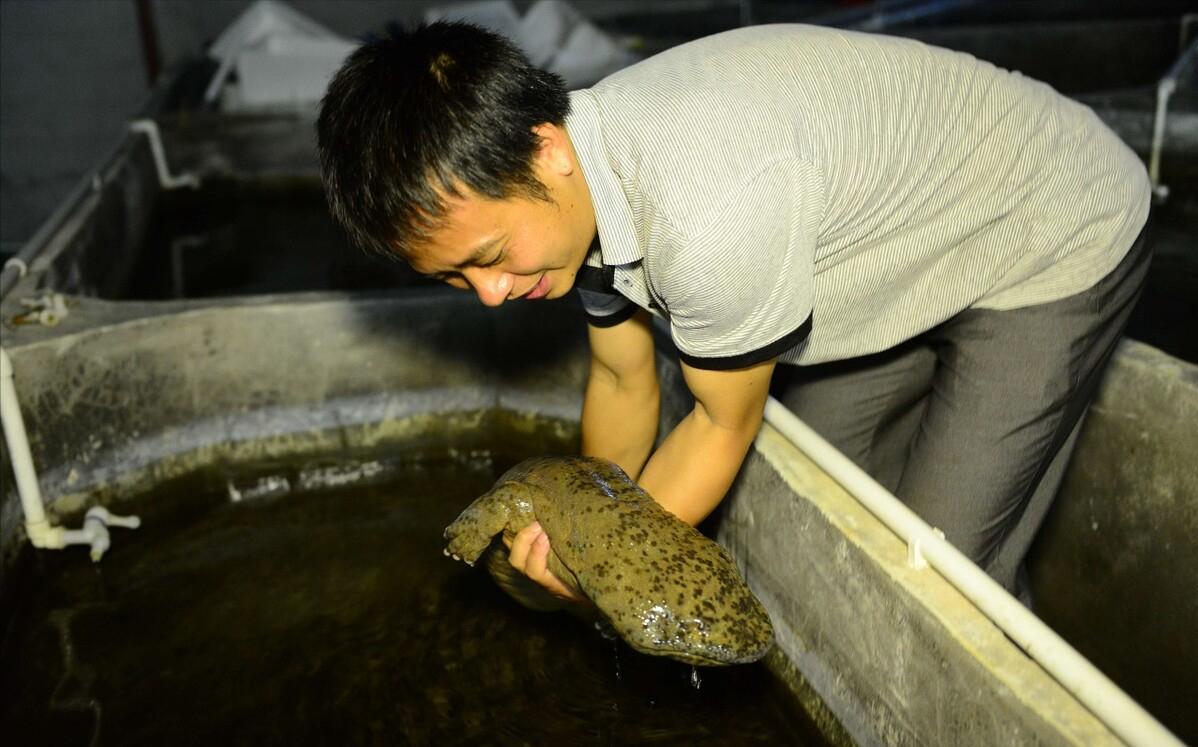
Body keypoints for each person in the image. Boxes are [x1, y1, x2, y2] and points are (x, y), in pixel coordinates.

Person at [316, 21, 1151, 605]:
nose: (492, 295)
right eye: (456, 278)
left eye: (490, 258)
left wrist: (590, 566)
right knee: (825, 500)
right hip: (894, 250)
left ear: (545, 149)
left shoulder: (704, 210)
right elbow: (620, 371)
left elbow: (718, 426)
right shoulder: (579, 191)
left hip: (1045, 225)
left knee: (944, 577)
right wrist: (583, 516)